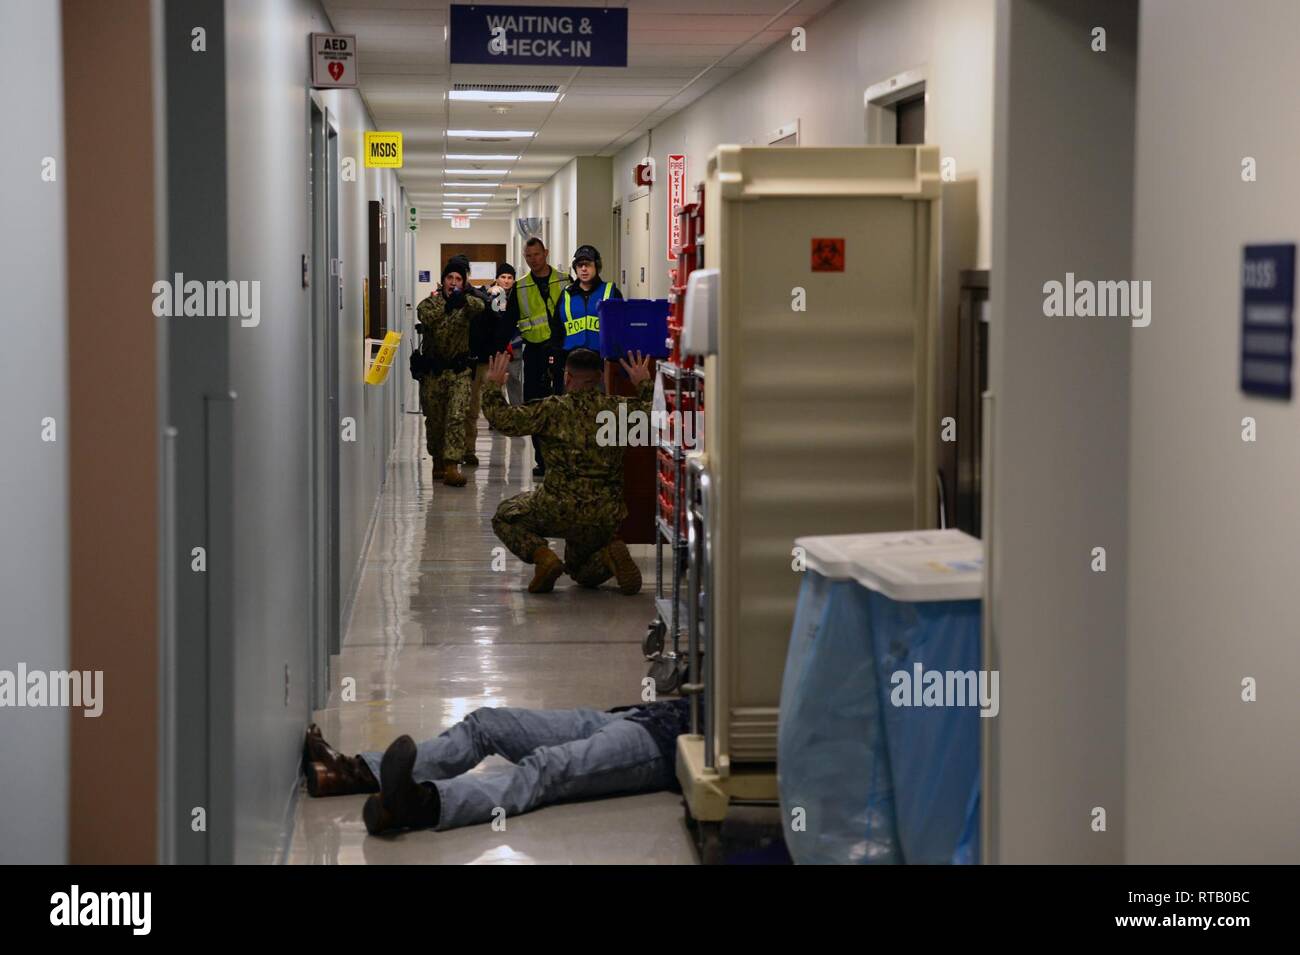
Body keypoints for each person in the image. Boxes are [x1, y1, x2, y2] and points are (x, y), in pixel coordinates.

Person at [300, 696, 692, 834]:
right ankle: (350, 772)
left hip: (662, 744)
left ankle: (421, 804)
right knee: (488, 723)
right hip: (639, 715)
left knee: (547, 768)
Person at [481, 346, 650, 595]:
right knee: (581, 571)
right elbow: (660, 417)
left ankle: (543, 558)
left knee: (504, 516)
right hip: (604, 513)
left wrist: (494, 386)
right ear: (601, 378)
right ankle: (606, 556)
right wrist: (644, 383)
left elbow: (503, 419)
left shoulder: (551, 409)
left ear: (567, 377)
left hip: (555, 507)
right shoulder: (618, 411)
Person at [412, 258, 484, 487]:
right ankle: (438, 461)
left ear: (464, 283)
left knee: (456, 416)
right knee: (435, 420)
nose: (453, 282)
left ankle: (452, 464)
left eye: (458, 279)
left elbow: (482, 307)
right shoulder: (429, 304)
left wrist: (463, 300)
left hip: (459, 372)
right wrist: (446, 306)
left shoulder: (467, 302)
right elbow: (425, 317)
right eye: (450, 278)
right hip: (434, 372)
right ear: (442, 281)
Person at [504, 237, 569, 477]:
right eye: (528, 256)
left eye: (537, 255)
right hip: (534, 352)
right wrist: (500, 350)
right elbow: (509, 322)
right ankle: (542, 460)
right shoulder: (520, 287)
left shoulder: (564, 280)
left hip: (561, 352)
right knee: (535, 405)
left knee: (561, 405)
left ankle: (559, 458)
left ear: (546, 253)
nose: (533, 260)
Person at [459, 262, 515, 465]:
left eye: (510, 277)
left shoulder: (489, 297)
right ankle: (464, 451)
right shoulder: (482, 295)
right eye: (503, 277)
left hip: (491, 358)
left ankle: (495, 428)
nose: (506, 281)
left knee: (490, 400)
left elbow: (500, 321)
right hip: (471, 360)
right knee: (469, 407)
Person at [551, 244, 623, 394]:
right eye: (579, 265)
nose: (583, 269)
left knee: (598, 409)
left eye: (588, 265)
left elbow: (620, 329)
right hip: (571, 363)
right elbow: (556, 329)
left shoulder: (611, 292)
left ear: (597, 266)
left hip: (600, 363)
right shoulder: (566, 294)